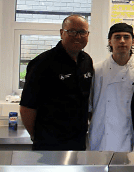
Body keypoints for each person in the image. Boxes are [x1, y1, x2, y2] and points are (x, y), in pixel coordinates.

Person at [19, 15, 94, 151]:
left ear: (87, 34)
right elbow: (27, 108)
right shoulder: (42, 63)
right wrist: (37, 137)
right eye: (72, 31)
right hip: (49, 144)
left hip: (78, 142)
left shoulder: (87, 61)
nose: (77, 36)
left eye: (82, 32)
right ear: (62, 33)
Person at [89, 23, 134, 151]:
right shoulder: (97, 70)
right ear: (110, 42)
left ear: (133, 42)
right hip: (103, 135)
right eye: (117, 37)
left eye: (126, 37)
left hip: (131, 133)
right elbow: (90, 105)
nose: (122, 41)